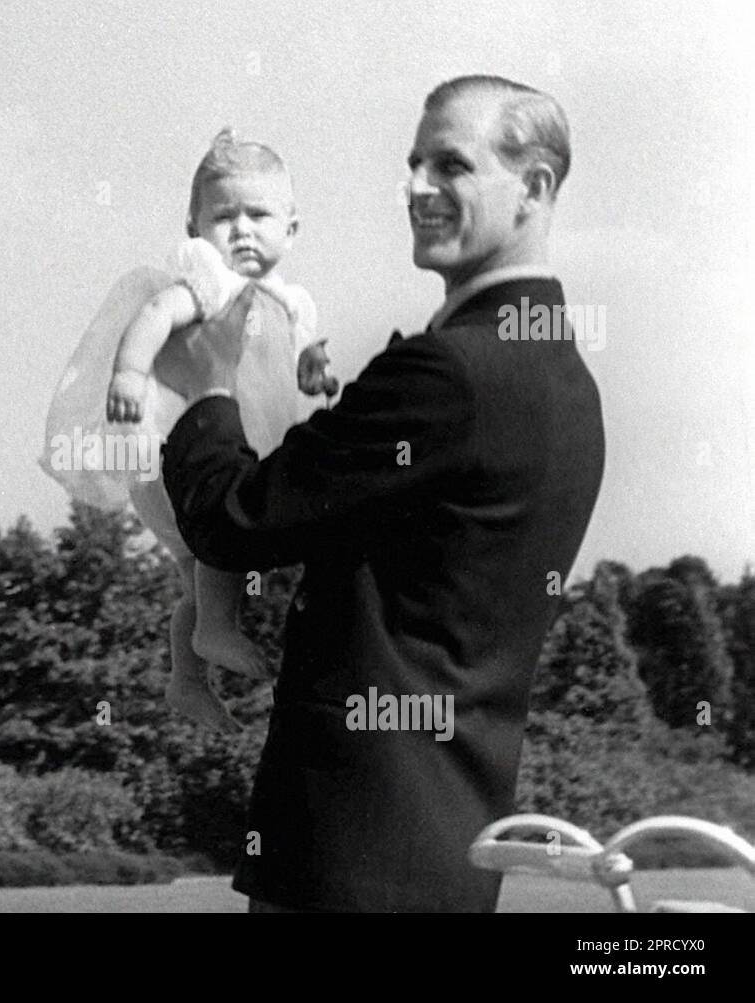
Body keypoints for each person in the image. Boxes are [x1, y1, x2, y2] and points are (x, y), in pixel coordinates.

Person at [158, 76, 605, 911]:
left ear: (535, 187)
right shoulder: (565, 380)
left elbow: (232, 518)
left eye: (452, 166)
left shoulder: (450, 374)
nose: (416, 188)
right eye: (412, 163)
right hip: (449, 847)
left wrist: (207, 383)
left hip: (348, 848)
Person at [40, 128, 335, 733]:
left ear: (292, 228)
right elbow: (156, 315)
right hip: (190, 457)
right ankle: (216, 633)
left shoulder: (292, 300)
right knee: (217, 555)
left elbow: (303, 356)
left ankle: (187, 678)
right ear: (194, 227)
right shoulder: (209, 280)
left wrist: (315, 372)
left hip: (239, 451)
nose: (243, 230)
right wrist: (128, 373)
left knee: (197, 579)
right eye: (224, 217)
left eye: (259, 215)